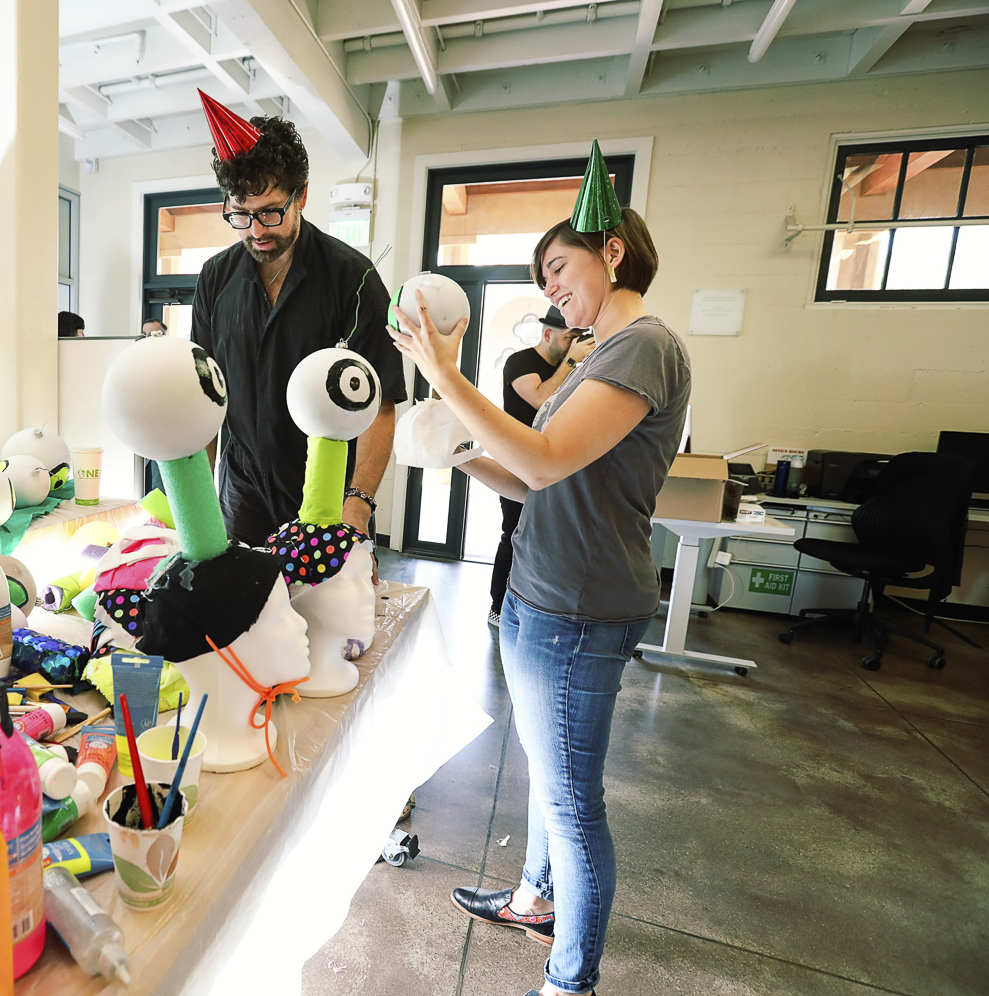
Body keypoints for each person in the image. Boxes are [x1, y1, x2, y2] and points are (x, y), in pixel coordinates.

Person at [390, 201, 690, 996]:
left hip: (580, 606)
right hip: (541, 589)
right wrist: (457, 455)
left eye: (558, 268)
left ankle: (569, 983)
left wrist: (447, 377)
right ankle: (533, 897)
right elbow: (529, 480)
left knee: (572, 802)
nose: (549, 288)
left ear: (614, 252)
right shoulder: (597, 354)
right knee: (547, 771)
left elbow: (550, 458)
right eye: (542, 276)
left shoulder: (644, 346)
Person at [191, 100, 404, 546]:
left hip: (328, 499)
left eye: (270, 212)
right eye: (240, 214)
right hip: (240, 498)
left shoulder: (353, 278)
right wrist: (197, 499)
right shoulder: (215, 278)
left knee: (327, 613)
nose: (255, 230)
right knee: (243, 612)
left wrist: (359, 501)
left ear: (301, 195)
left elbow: (382, 404)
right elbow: (203, 397)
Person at [488, 307, 594, 625]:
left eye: (579, 337)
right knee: (514, 532)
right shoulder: (520, 362)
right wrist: (573, 361)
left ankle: (532, 604)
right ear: (547, 334)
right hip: (517, 462)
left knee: (545, 537)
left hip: (555, 460)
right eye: (569, 338)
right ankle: (497, 605)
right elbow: (540, 399)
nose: (575, 344)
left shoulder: (573, 366)